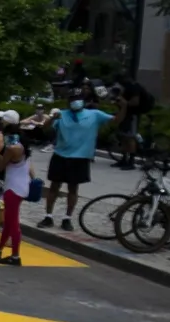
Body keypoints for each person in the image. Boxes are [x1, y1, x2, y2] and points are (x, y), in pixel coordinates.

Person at [39, 89, 122, 230]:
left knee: (73, 188)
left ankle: (67, 218)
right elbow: (45, 128)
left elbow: (115, 121)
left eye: (77, 99)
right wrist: (52, 117)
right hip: (60, 155)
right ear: (68, 101)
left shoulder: (94, 114)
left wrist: (123, 107)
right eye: (72, 99)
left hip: (80, 157)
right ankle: (48, 216)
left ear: (83, 101)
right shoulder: (62, 115)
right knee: (54, 186)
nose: (74, 101)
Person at [0, 115, 31, 267]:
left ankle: (15, 256)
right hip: (20, 186)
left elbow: (0, 167)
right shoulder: (21, 147)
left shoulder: (12, 148)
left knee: (13, 224)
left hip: (13, 189)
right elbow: (9, 160)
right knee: (9, 223)